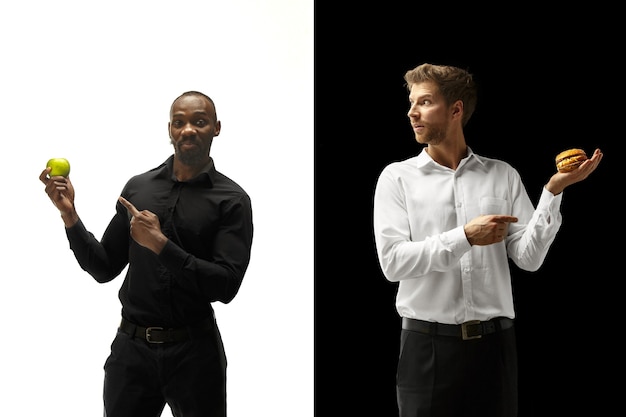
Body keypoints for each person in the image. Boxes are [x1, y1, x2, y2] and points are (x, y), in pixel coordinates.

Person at [372, 63, 603, 417]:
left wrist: (553, 192)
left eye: (425, 102)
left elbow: (528, 258)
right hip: (426, 350)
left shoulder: (502, 175)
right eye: (411, 102)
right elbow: (393, 262)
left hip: (495, 350)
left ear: (456, 109)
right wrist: (465, 236)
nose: (412, 112)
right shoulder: (397, 179)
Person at [39, 91, 253, 417]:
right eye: (179, 123)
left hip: (196, 354)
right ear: (170, 129)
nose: (188, 130)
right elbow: (103, 267)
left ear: (216, 128)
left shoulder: (232, 200)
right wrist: (70, 215)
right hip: (131, 354)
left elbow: (224, 287)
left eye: (199, 121)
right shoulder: (139, 189)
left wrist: (161, 245)